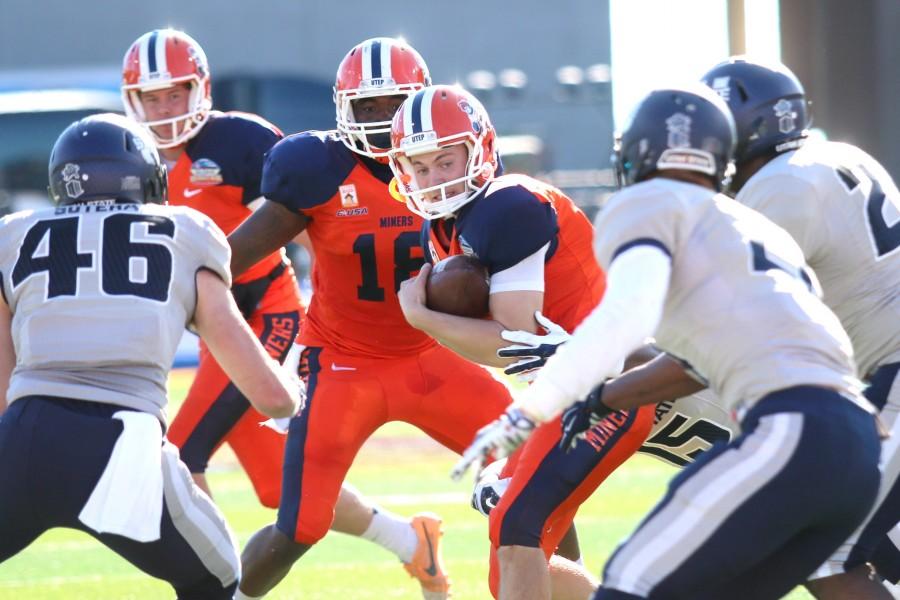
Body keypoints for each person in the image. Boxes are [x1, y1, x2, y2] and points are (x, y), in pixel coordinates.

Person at [457, 84, 883, 599]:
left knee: (630, 583)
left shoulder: (648, 204)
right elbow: (700, 363)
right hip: (860, 439)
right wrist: (604, 395)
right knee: (829, 580)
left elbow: (626, 316)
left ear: (636, 154)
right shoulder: (758, 229)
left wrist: (522, 416)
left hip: (788, 432)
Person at [226, 38, 519, 600]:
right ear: (344, 110)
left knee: (532, 479)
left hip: (434, 355)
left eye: (395, 104)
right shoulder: (316, 169)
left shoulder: (453, 161)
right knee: (301, 525)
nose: (384, 120)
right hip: (342, 362)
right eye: (369, 107)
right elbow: (232, 255)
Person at [0, 113, 302, 599]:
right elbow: (268, 395)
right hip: (125, 444)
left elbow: (5, 384)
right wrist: (294, 394)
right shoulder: (183, 231)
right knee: (217, 576)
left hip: (25, 435)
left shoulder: (14, 235)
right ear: (147, 176)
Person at [388, 84, 655, 600]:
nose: (434, 179)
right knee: (507, 565)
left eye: (445, 161)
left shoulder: (508, 205)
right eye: (420, 168)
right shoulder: (441, 230)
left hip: (603, 390)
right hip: (562, 395)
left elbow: (514, 340)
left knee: (516, 529)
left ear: (480, 148)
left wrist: (420, 316)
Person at [701, 56, 900, 599]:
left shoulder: (776, 188)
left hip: (892, 380)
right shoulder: (838, 155)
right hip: (879, 380)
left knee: (822, 552)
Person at [121, 28, 303, 508]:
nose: (163, 109)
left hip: (264, 310)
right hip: (211, 329)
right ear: (133, 101)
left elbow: (307, 228)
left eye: (174, 93)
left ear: (198, 88)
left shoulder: (238, 141)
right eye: (151, 97)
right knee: (277, 486)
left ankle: (214, 579)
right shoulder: (126, 159)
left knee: (179, 454)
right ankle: (411, 539)